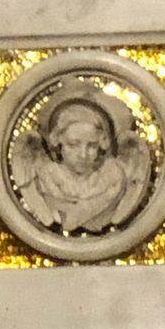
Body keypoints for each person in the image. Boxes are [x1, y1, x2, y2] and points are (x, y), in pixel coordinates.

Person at [16, 97, 149, 235]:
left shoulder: (114, 178)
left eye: (92, 145)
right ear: (58, 141)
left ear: (102, 143)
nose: (83, 154)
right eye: (73, 144)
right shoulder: (46, 178)